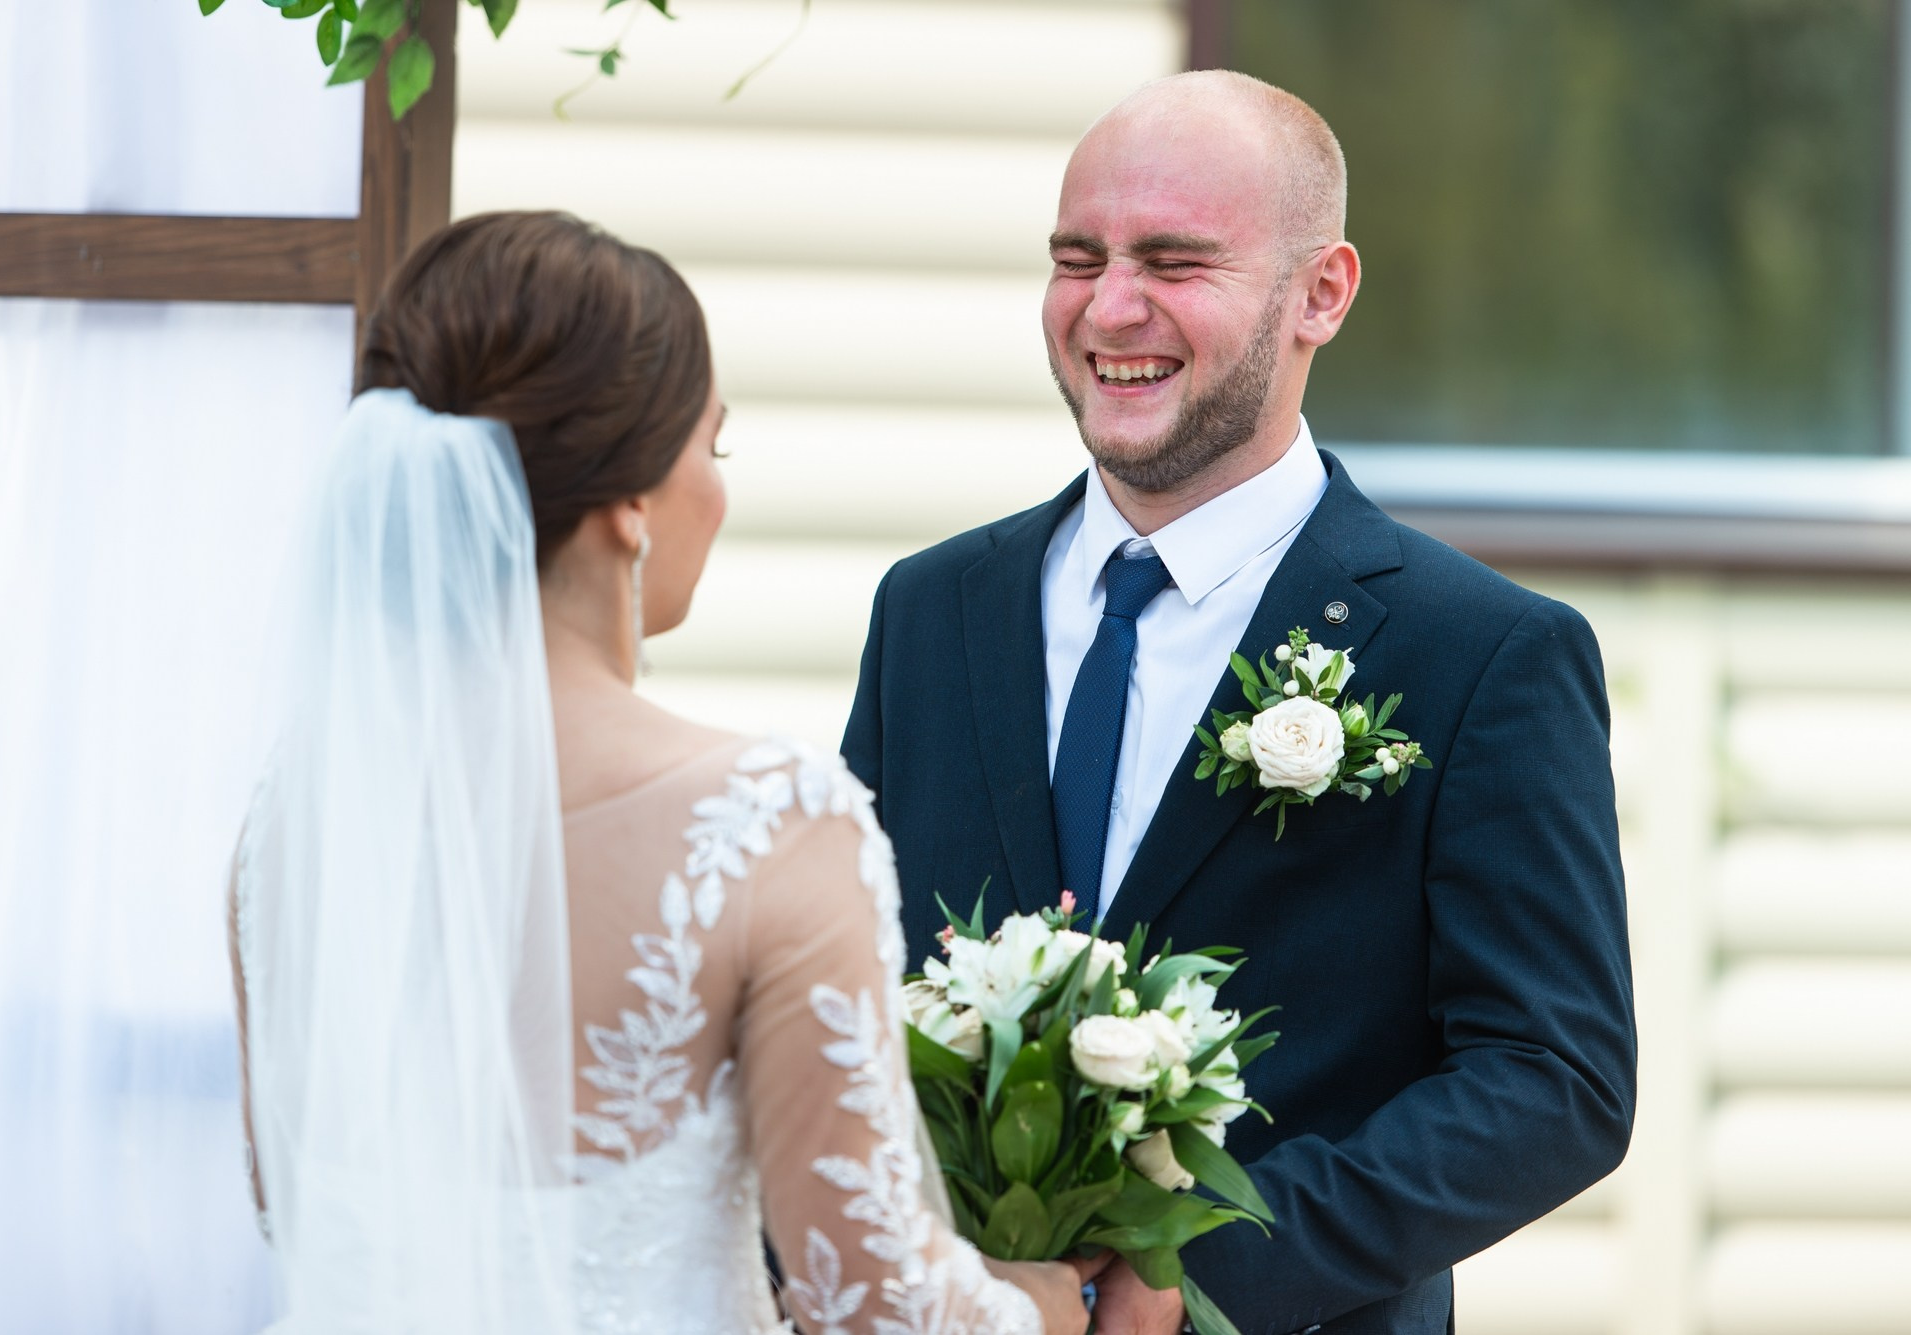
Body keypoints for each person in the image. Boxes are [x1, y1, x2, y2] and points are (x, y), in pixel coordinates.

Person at [842, 71, 1636, 1334]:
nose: (1109, 307)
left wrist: (1203, 1268)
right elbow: (860, 989)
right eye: (1075, 257)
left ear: (1319, 292)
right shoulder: (930, 610)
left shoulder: (1480, 653)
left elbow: (1552, 1082)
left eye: (1172, 260)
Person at [225, 211, 1102, 1334]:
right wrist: (1050, 1302)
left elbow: (289, 1202)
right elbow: (874, 1305)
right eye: (712, 448)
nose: (718, 490)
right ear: (631, 503)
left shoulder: (290, 825)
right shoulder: (771, 824)